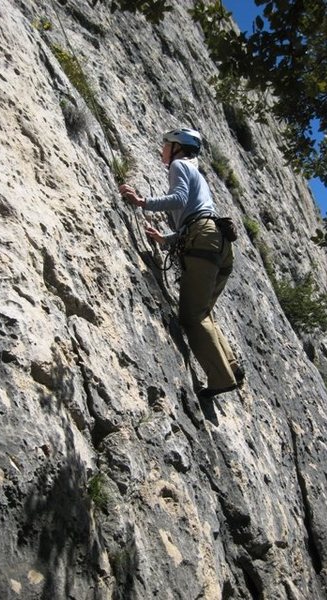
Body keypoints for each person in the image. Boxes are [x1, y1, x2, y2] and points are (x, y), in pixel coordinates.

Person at [119, 128, 244, 405]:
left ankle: (222, 378)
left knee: (191, 317)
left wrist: (142, 202)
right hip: (220, 244)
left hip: (204, 238)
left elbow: (178, 199)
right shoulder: (195, 172)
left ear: (177, 147)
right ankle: (232, 365)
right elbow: (196, 216)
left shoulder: (178, 165)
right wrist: (166, 239)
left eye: (166, 143)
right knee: (203, 312)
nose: (162, 148)